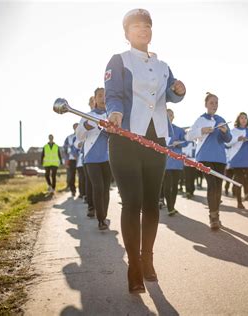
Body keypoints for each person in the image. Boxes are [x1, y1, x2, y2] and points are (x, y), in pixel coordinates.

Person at [105, 8, 186, 294]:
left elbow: (173, 95)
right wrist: (114, 113)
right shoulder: (119, 60)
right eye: (137, 26)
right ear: (127, 33)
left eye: (147, 26)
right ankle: (134, 268)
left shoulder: (163, 65)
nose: (143, 30)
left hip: (157, 139)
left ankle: (147, 259)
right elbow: (113, 95)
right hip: (126, 138)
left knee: (152, 202)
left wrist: (179, 89)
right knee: (133, 202)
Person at [187, 92, 232, 229]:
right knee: (212, 185)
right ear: (206, 104)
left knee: (217, 188)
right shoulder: (201, 119)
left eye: (216, 103)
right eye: (212, 102)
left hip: (220, 158)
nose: (214, 105)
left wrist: (224, 132)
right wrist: (202, 130)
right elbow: (189, 135)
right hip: (204, 157)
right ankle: (213, 217)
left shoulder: (221, 119)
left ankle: (216, 215)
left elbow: (229, 140)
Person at [76, 87, 112, 231]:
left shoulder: (112, 114)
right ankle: (101, 219)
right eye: (100, 95)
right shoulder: (87, 115)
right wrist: (87, 125)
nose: (103, 98)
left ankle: (104, 214)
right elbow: (79, 135)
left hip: (108, 156)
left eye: (105, 95)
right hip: (91, 157)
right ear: (95, 99)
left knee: (105, 189)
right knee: (98, 187)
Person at [227, 112, 248, 209]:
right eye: (241, 118)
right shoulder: (233, 131)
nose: (244, 119)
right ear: (238, 120)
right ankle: (239, 202)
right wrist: (238, 139)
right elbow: (227, 144)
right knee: (239, 181)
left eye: (245, 118)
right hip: (236, 159)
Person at [163, 109, 188, 215]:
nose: (169, 117)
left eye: (171, 115)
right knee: (167, 185)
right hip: (165, 162)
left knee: (175, 186)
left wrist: (179, 144)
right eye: (167, 115)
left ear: (173, 117)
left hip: (177, 162)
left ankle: (172, 206)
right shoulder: (160, 129)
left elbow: (186, 142)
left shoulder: (179, 130)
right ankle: (169, 207)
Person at [63, 123, 79, 197]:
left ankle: (83, 192)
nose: (76, 128)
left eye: (77, 127)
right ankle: (73, 190)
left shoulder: (83, 136)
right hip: (72, 160)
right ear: (73, 128)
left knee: (82, 176)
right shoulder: (69, 137)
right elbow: (65, 149)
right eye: (75, 127)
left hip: (81, 160)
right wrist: (66, 160)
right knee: (72, 176)